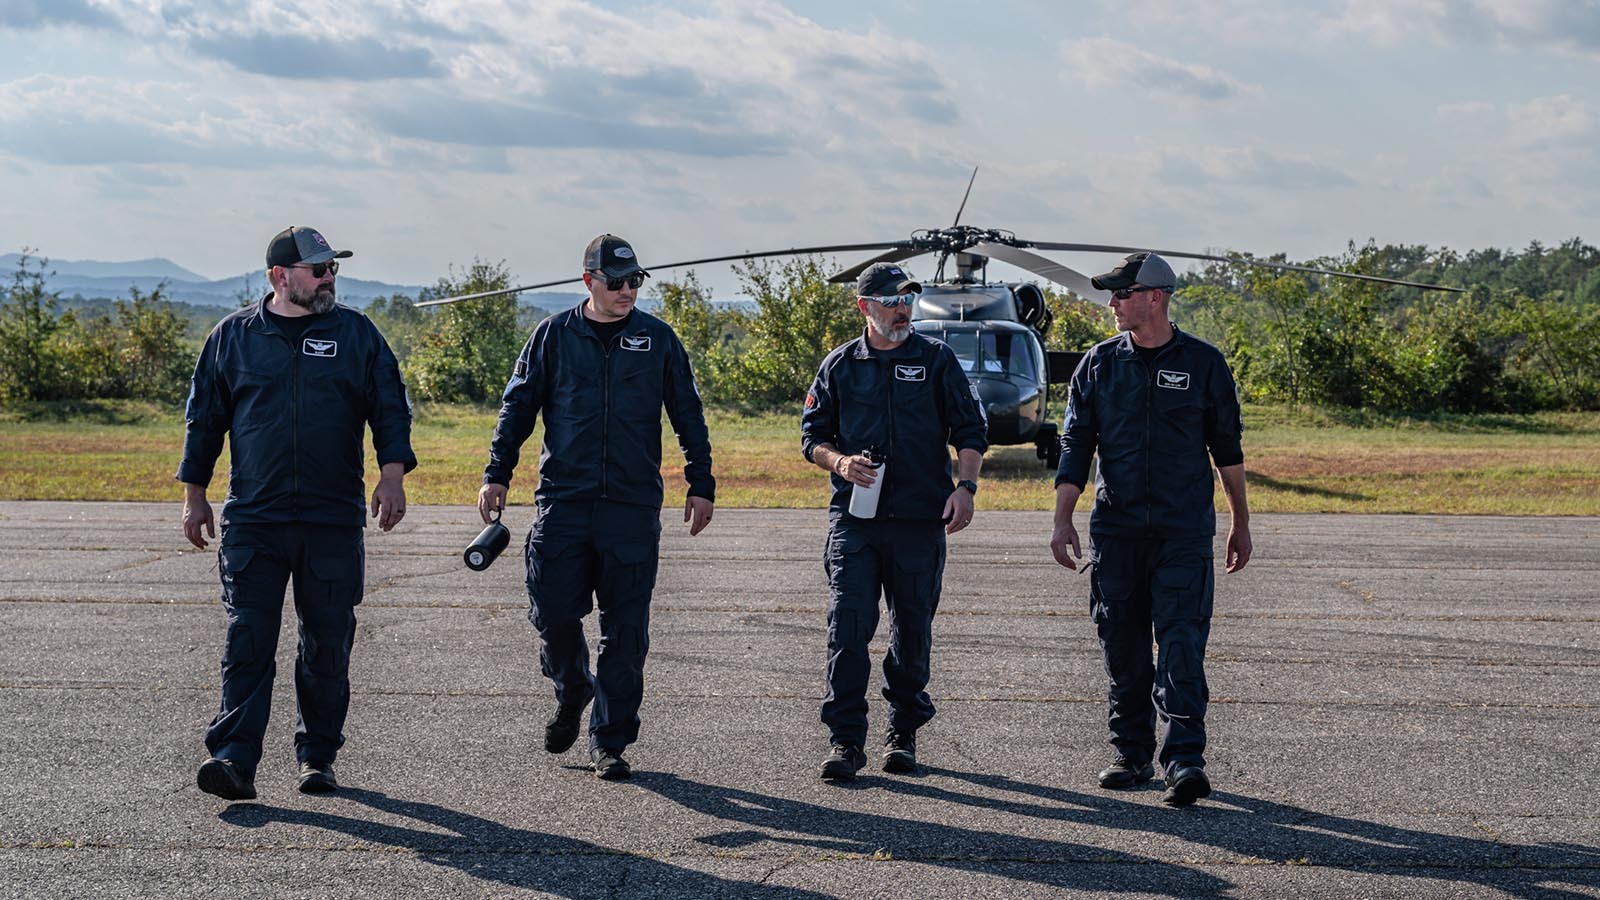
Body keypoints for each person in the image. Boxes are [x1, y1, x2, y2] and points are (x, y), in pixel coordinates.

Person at [179, 226, 415, 801]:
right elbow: (204, 420)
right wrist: (194, 494)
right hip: (255, 519)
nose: (330, 276)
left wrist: (390, 476)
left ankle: (318, 755)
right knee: (248, 638)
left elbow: (389, 406)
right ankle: (234, 758)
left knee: (327, 643)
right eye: (319, 269)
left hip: (331, 519)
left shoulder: (356, 334)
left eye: (333, 267)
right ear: (281, 278)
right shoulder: (233, 337)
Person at [478, 234, 715, 781]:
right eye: (617, 282)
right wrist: (497, 475)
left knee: (626, 631)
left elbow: (688, 414)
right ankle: (572, 686)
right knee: (554, 613)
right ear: (589, 282)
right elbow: (517, 411)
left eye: (636, 281)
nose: (628, 290)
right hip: (563, 501)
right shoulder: (553, 337)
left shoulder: (658, 340)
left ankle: (609, 740)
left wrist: (701, 483)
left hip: (631, 508)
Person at [1048, 251, 1252, 807]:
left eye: (1122, 293)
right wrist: (1063, 517)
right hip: (1116, 533)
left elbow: (1227, 451)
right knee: (1123, 645)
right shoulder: (1097, 365)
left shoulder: (1205, 364)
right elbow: (1075, 447)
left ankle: (1183, 758)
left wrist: (1240, 521)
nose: (1112, 303)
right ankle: (1132, 754)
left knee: (1182, 642)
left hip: (1182, 531)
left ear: (1155, 297)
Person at [800, 262, 988, 781]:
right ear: (865, 307)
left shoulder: (936, 360)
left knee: (912, 629)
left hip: (918, 521)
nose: (902, 310)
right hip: (855, 522)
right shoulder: (839, 366)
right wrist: (838, 462)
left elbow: (971, 430)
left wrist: (965, 488)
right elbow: (810, 437)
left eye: (908, 300)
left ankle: (902, 731)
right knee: (849, 625)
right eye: (891, 301)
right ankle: (845, 741)